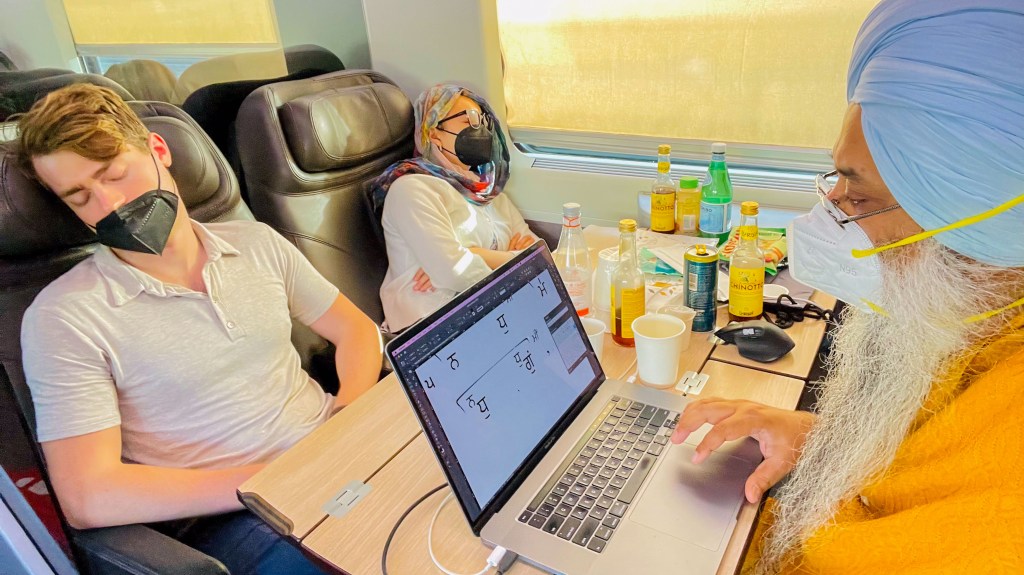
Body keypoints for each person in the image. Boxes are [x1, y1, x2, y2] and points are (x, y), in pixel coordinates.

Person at [671, 1, 1024, 573]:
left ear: (976, 218)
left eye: (857, 196)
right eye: (835, 180)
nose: (833, 210)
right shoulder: (982, 318)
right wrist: (816, 436)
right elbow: (918, 459)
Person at [13, 84, 383, 574]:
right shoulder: (65, 316)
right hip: (237, 512)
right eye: (79, 196)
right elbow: (88, 495)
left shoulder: (256, 243)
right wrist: (275, 480)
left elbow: (356, 330)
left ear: (158, 149)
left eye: (114, 174)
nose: (108, 204)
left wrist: (347, 419)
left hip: (334, 454)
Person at [371, 84, 538, 333]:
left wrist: (476, 254)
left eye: (483, 121)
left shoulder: (489, 194)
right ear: (434, 133)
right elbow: (456, 273)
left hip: (490, 310)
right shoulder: (412, 189)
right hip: (429, 322)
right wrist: (513, 260)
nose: (480, 130)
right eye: (468, 120)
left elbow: (537, 255)